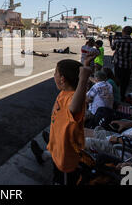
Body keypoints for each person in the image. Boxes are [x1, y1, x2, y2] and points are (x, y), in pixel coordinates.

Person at [31, 56, 93, 185]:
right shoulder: (67, 92)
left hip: (65, 157)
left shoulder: (73, 100)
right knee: (54, 161)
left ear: (62, 79)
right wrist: (85, 65)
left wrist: (83, 78)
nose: (54, 75)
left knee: (60, 179)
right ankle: (44, 154)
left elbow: (74, 107)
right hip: (58, 145)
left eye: (55, 73)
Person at [111, 26, 132, 101]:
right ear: (131, 32)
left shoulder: (118, 40)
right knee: (125, 82)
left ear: (123, 31)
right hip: (128, 65)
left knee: (117, 80)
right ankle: (122, 96)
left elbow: (113, 48)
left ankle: (116, 96)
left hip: (118, 63)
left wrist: (113, 40)